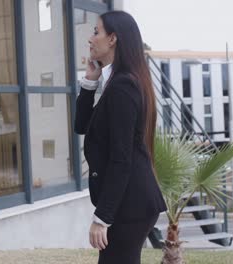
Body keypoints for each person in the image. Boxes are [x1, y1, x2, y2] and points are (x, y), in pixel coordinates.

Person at [74, 10, 167, 264]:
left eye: (96, 32)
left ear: (113, 39)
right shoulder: (116, 81)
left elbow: (121, 158)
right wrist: (90, 83)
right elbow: (81, 125)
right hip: (130, 201)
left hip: (131, 204)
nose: (90, 39)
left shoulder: (123, 86)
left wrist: (101, 218)